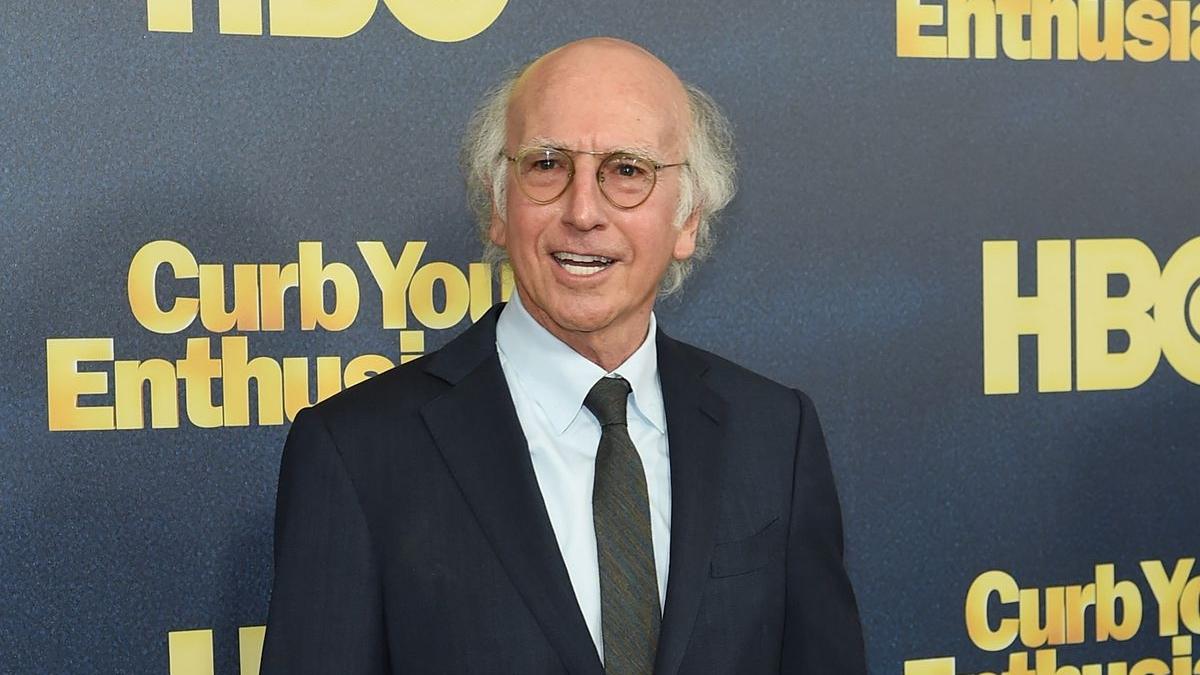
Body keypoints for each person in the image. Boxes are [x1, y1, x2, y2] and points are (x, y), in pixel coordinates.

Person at [261, 37, 867, 674]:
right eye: (547, 165)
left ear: (688, 220)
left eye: (628, 171)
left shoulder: (776, 433)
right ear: (499, 206)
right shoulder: (357, 453)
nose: (583, 212)